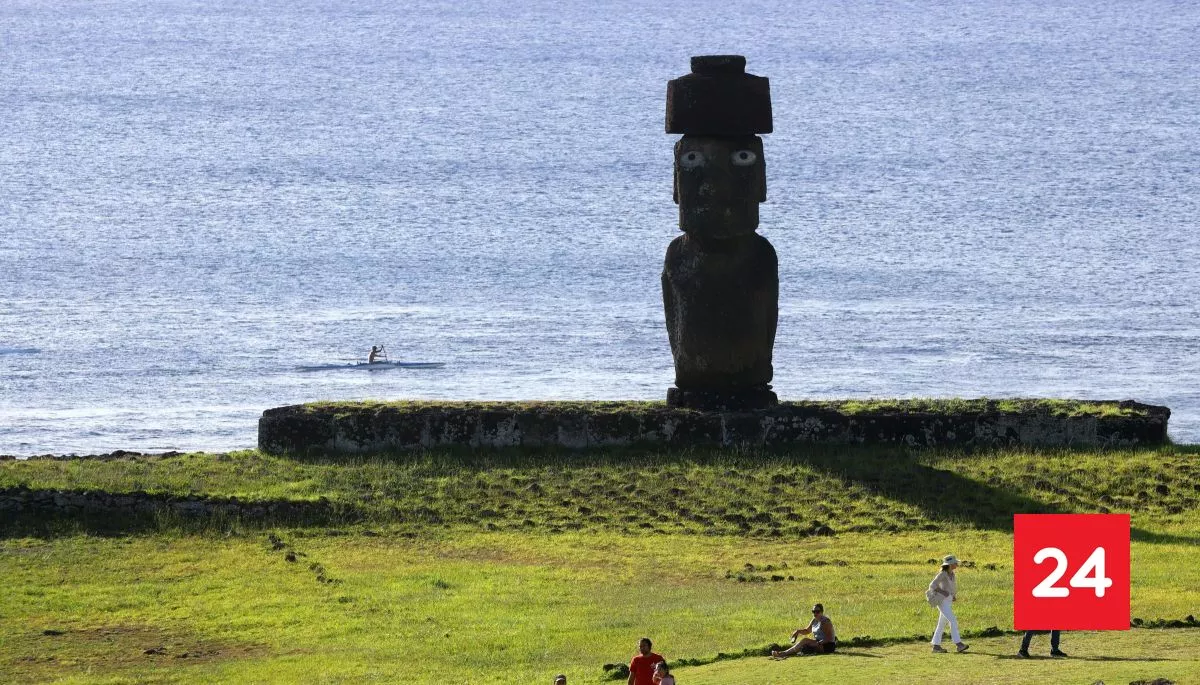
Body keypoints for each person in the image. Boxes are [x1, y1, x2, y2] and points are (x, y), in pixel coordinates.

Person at [927, 554, 969, 653]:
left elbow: (950, 587)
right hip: (942, 601)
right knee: (953, 620)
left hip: (948, 601)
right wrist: (943, 592)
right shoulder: (942, 574)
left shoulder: (952, 574)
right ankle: (958, 644)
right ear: (950, 564)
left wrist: (952, 595)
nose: (957, 564)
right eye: (955, 563)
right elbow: (932, 585)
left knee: (941, 624)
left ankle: (936, 646)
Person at [771, 603, 836, 658]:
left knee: (805, 641)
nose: (815, 613)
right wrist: (798, 631)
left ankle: (783, 653)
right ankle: (787, 653)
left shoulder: (825, 622)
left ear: (822, 612)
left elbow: (829, 638)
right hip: (819, 643)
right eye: (813, 611)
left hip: (827, 645)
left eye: (817, 611)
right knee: (805, 644)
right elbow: (807, 631)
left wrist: (817, 643)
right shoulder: (814, 620)